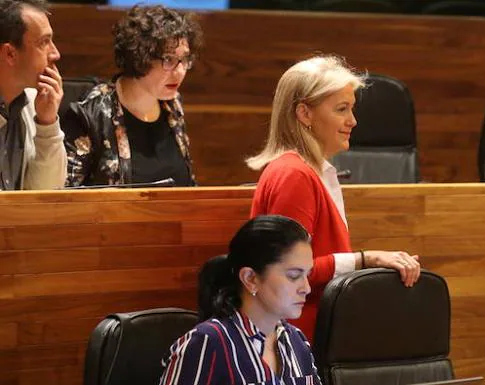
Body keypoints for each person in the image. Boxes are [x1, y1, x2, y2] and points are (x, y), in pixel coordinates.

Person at [247, 55, 421, 341]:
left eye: (351, 109)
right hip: (296, 343)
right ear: (305, 114)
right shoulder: (294, 175)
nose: (353, 121)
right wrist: (366, 259)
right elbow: (289, 270)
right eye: (341, 109)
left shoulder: (310, 171)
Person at [160, 215, 321, 385]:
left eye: (307, 275)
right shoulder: (207, 343)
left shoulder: (296, 340)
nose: (306, 288)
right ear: (250, 278)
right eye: (294, 276)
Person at [64, 5, 202, 187]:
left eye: (184, 59)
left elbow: (187, 186)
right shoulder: (90, 113)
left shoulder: (172, 104)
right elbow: (67, 197)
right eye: (168, 59)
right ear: (139, 57)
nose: (180, 72)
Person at [0, 0, 66, 190]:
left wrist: (48, 124)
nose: (55, 54)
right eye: (44, 42)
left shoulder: (32, 101)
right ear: (10, 53)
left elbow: (45, 195)